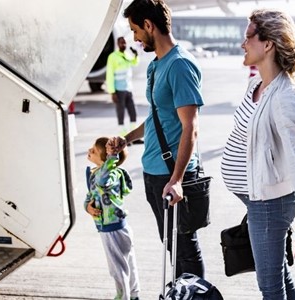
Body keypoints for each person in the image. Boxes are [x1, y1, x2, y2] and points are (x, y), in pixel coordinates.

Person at [220, 8, 295, 299]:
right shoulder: (255, 85)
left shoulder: (285, 97)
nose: (242, 44)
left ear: (267, 44)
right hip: (257, 201)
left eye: (248, 38)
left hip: (268, 206)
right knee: (279, 275)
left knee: (270, 287)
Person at [110, 0, 206, 278]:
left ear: (149, 25)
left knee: (186, 249)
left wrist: (176, 180)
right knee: (172, 248)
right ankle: (181, 293)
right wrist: (126, 139)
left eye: (135, 30)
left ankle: (195, 295)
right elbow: (157, 117)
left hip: (173, 176)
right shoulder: (156, 66)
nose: (134, 38)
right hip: (153, 172)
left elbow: (191, 127)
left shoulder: (180, 66)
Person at [85, 137, 140, 300]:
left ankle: (124, 296)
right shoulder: (97, 173)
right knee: (126, 263)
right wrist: (87, 207)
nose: (89, 151)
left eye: (94, 150)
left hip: (113, 229)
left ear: (106, 159)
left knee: (118, 268)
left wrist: (111, 157)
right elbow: (91, 195)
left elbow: (103, 181)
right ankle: (134, 295)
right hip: (110, 227)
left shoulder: (111, 175)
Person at [106, 36, 142, 138]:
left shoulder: (127, 55)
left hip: (128, 89)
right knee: (121, 113)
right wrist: (112, 92)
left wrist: (136, 55)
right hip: (118, 90)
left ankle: (133, 136)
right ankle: (122, 136)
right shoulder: (113, 57)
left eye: (125, 43)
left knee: (133, 112)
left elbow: (134, 63)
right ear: (118, 44)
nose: (124, 45)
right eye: (122, 43)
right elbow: (109, 75)